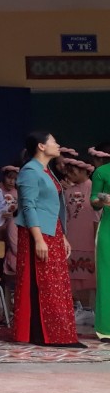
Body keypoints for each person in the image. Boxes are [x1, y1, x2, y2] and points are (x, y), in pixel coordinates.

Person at [13, 131, 81, 347]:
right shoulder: (30, 171)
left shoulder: (46, 170)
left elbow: (51, 207)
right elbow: (28, 206)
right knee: (44, 282)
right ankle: (42, 333)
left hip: (52, 231)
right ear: (41, 146)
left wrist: (63, 236)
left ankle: (58, 332)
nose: (57, 145)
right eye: (53, 141)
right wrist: (38, 239)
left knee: (56, 282)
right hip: (37, 232)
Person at [62, 159, 97, 311]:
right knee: (74, 278)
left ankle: (94, 310)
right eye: (67, 171)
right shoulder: (66, 192)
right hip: (72, 239)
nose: (69, 174)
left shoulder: (95, 189)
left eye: (72, 170)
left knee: (93, 278)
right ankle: (82, 309)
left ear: (84, 171)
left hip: (91, 238)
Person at [88, 145, 110, 342]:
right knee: (106, 277)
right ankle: (106, 328)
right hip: (108, 230)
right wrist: (103, 199)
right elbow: (94, 199)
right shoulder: (102, 172)